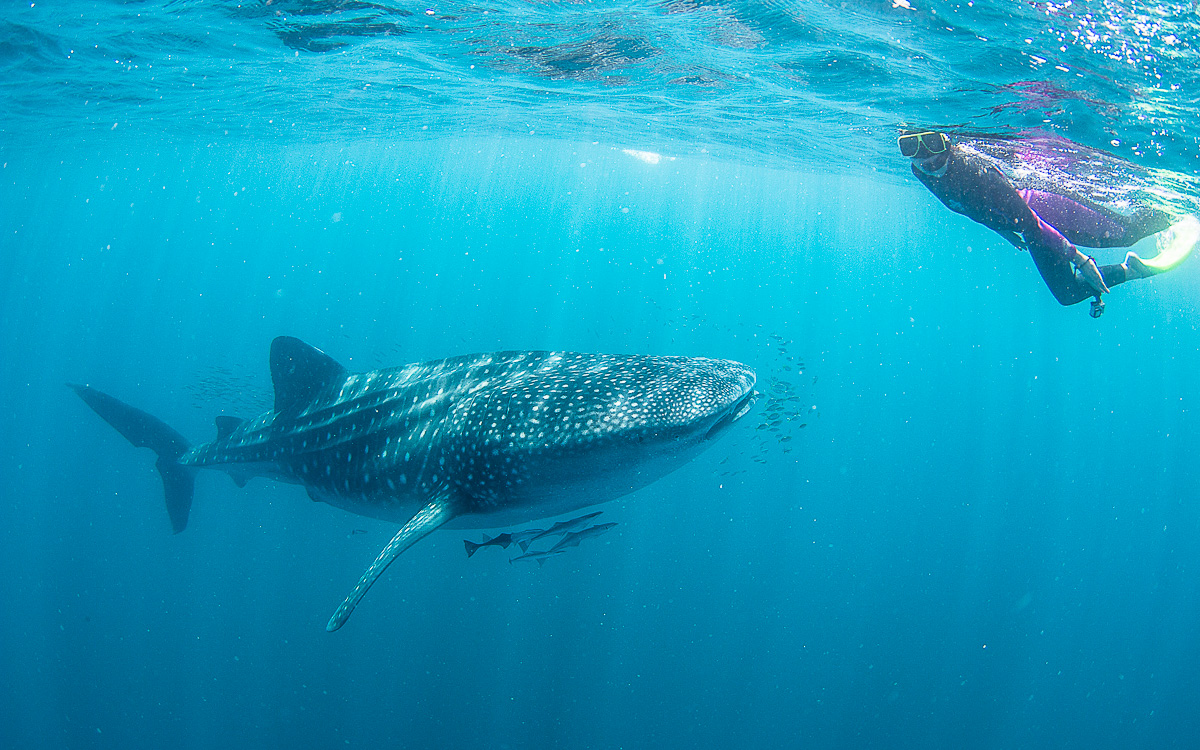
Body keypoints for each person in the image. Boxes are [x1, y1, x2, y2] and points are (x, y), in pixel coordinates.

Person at [900, 130, 1197, 317]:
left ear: (949, 145)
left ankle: (1177, 212)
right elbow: (968, 208)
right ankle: (1132, 269)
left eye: (933, 148)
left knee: (1125, 233)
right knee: (1067, 294)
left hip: (1044, 212)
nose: (926, 159)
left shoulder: (979, 175)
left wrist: (1080, 259)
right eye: (912, 148)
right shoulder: (921, 170)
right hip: (1025, 227)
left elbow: (1031, 223)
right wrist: (1002, 230)